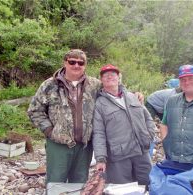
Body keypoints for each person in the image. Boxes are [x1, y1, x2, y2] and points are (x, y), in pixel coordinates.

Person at [27, 50, 143, 184]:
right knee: (55, 181)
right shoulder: (49, 84)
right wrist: (49, 131)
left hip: (85, 145)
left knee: (80, 182)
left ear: (85, 65)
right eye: (72, 62)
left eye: (80, 63)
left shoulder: (94, 85)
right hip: (58, 144)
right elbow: (34, 110)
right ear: (65, 62)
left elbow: (114, 89)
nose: (76, 65)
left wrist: (133, 94)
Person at [92, 64, 156, 185]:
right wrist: (100, 158)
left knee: (148, 185)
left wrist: (149, 135)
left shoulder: (133, 96)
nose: (109, 77)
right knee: (122, 189)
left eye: (113, 74)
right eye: (105, 75)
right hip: (118, 157)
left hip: (141, 152)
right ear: (101, 80)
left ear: (119, 78)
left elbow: (148, 118)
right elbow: (98, 133)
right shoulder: (99, 104)